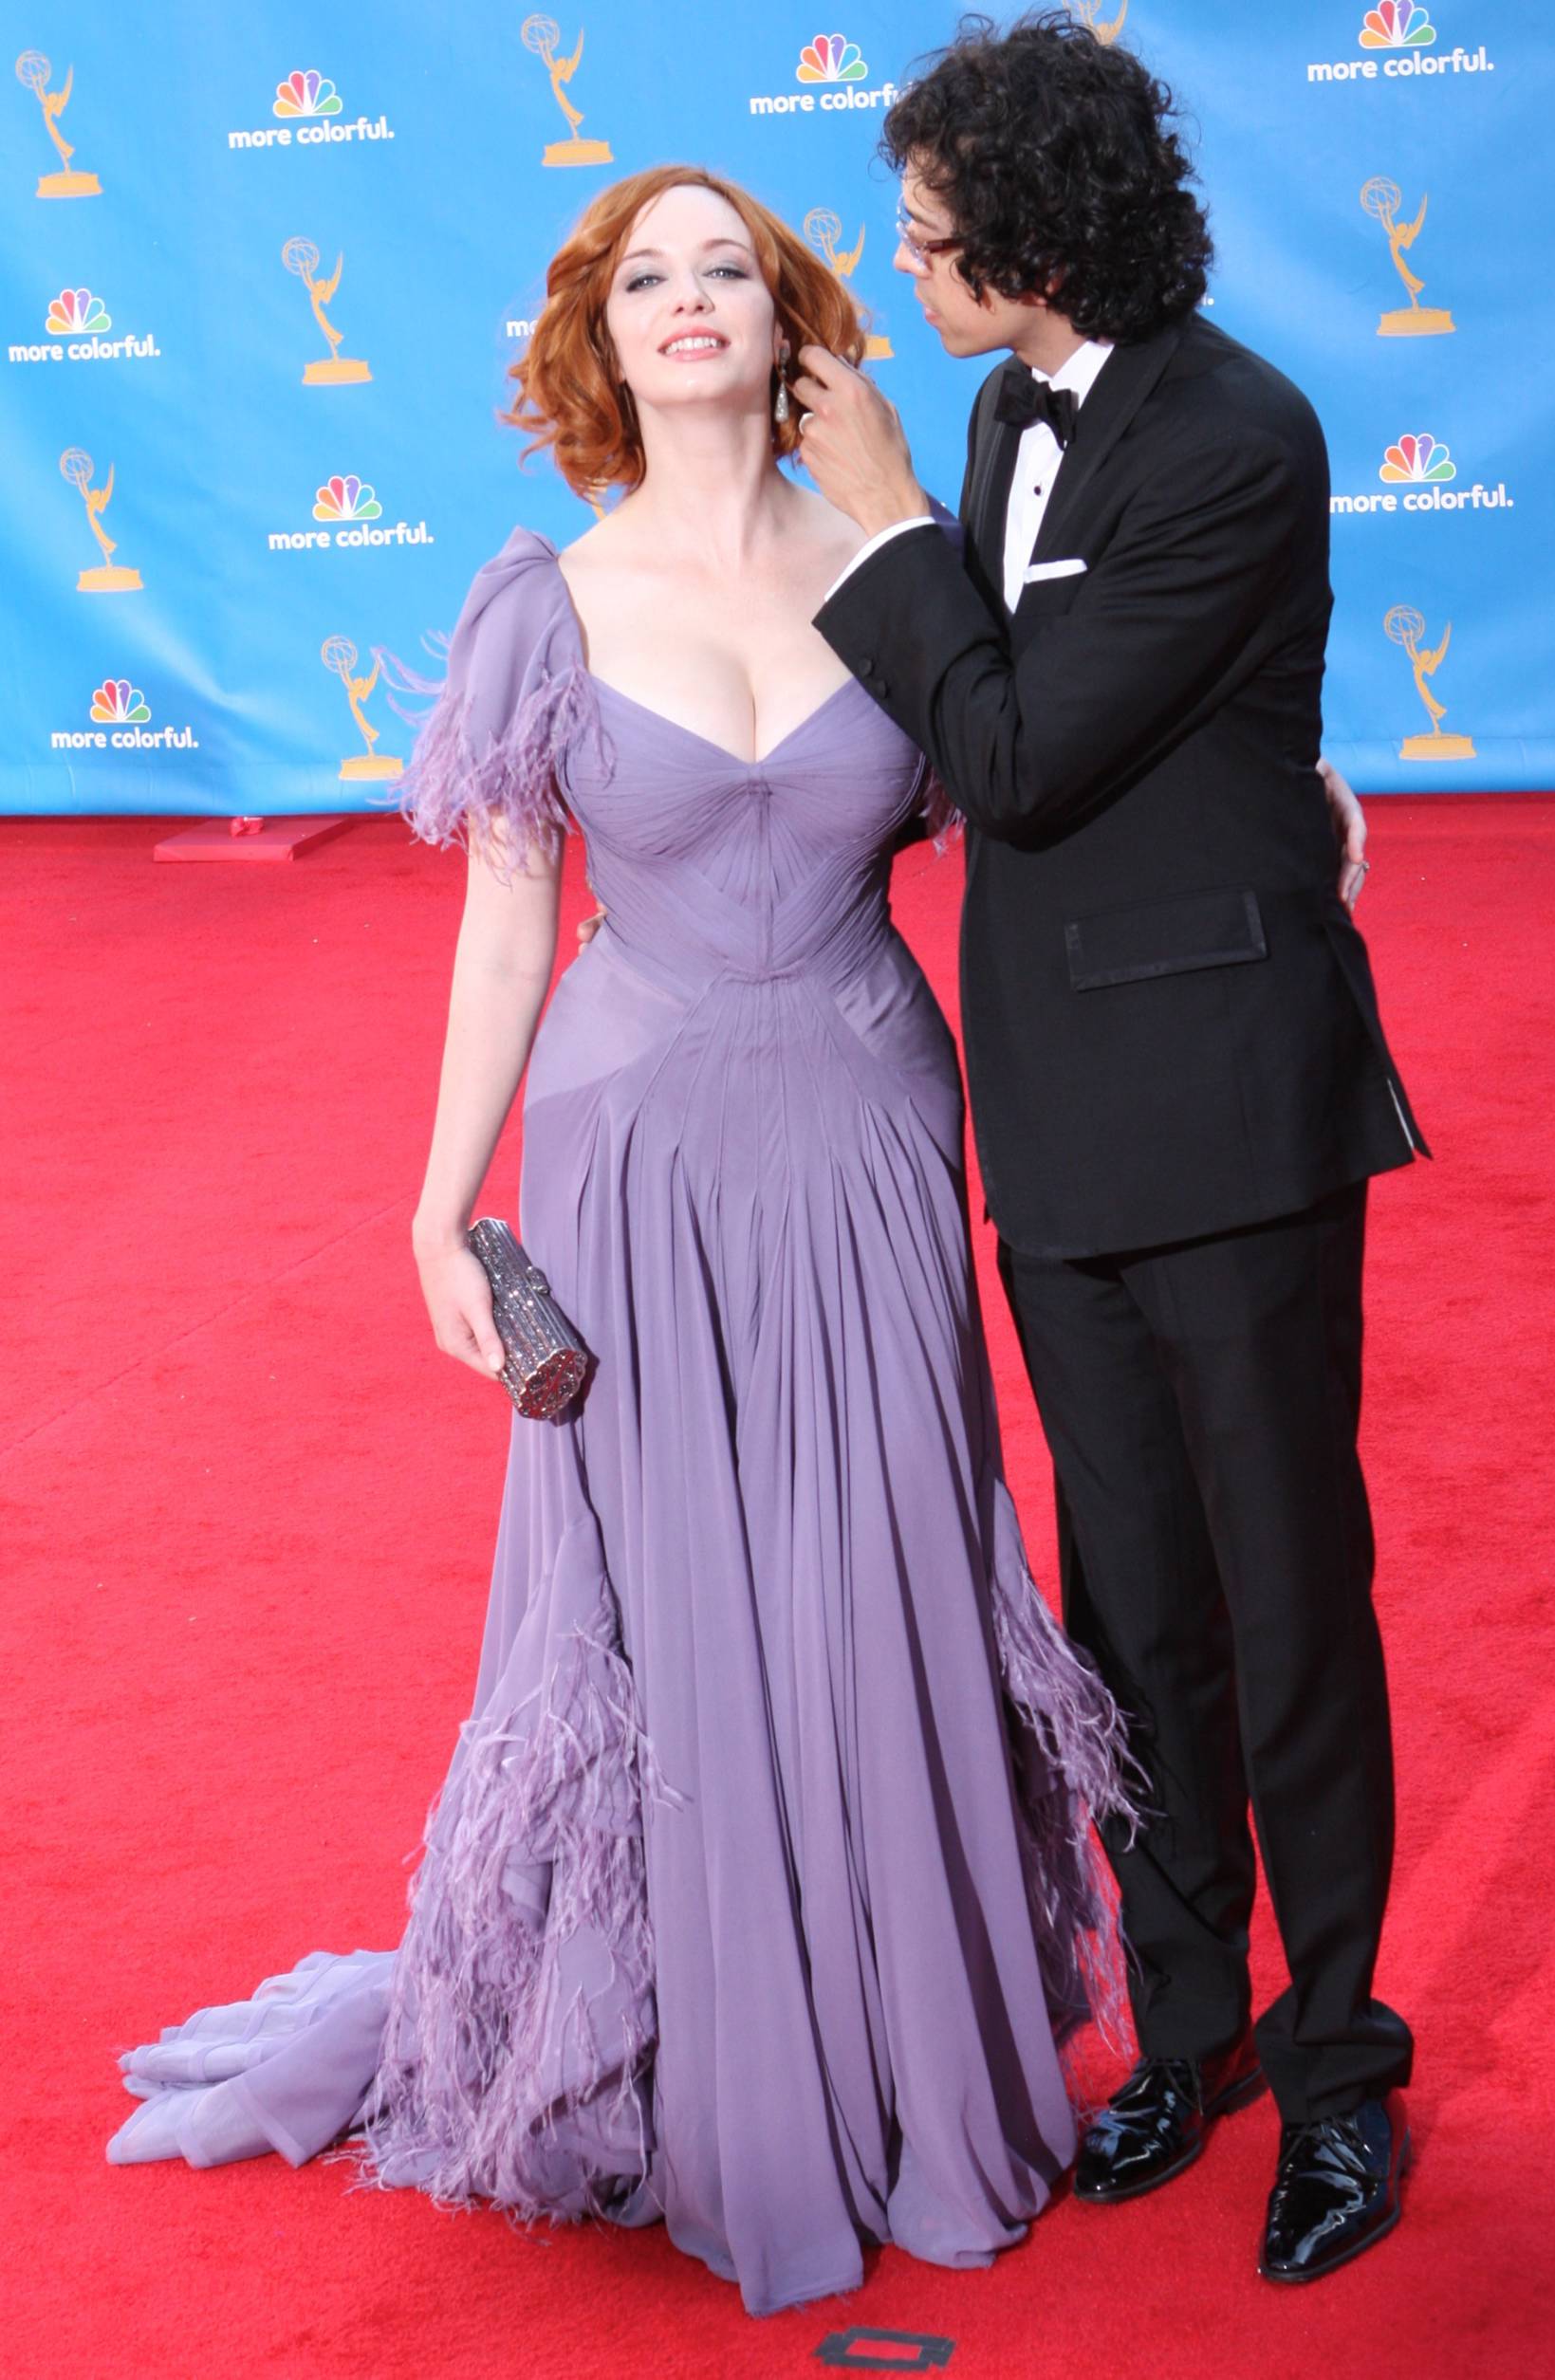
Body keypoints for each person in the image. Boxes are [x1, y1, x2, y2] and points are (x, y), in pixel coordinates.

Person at [107, 165, 1150, 2319]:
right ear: (603, 331)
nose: (691, 303)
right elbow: (508, 919)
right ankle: (697, 2063)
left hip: (866, 1123)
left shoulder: (903, 566)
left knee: (878, 1561)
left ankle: (901, 2052)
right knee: (662, 1592)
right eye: (649, 275)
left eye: (729, 274)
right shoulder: (546, 599)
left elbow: (1042, 791)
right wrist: (434, 1205)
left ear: (792, 326)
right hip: (631, 1151)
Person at [792, 10, 1421, 2286]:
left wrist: (870, 521)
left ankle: (1341, 2067)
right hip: (1049, 1099)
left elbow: (1028, 747)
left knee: (1284, 1605)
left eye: (930, 228)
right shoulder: (990, 404)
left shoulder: (1237, 429)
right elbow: (999, 731)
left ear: (1030, 231)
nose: (907, 261)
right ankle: (1186, 2028)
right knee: (1126, 1609)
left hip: (1233, 1108)